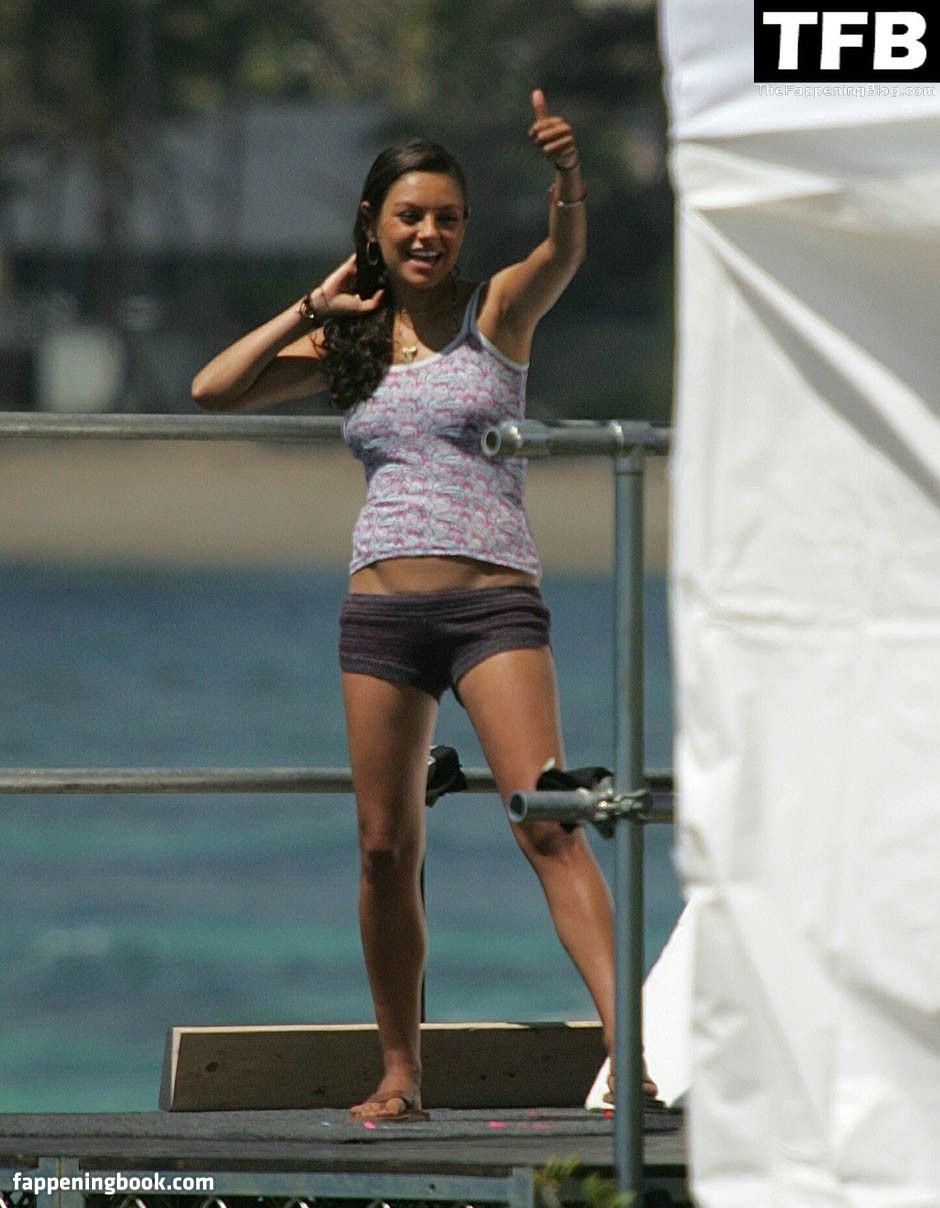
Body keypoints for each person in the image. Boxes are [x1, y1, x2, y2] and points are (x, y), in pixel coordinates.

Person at [193, 89, 656, 1121]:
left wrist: (568, 178)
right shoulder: (351, 341)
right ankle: (401, 1075)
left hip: (494, 607)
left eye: (446, 217)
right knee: (382, 848)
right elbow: (213, 388)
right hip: (381, 621)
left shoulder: (498, 313)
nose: (429, 233)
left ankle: (630, 1057)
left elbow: (563, 253)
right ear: (374, 223)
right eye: (409, 216)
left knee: (549, 822)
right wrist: (313, 309)